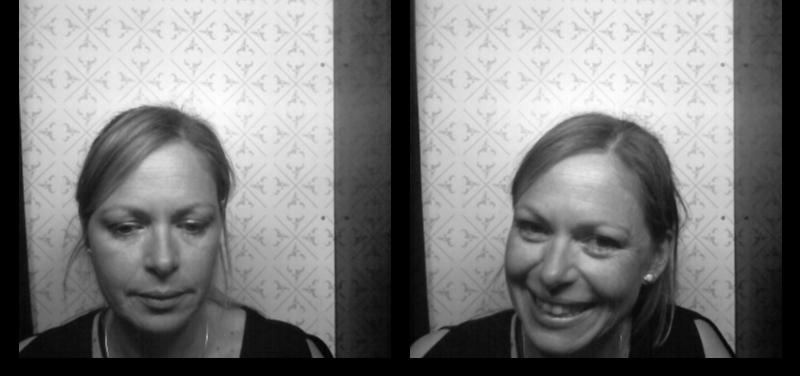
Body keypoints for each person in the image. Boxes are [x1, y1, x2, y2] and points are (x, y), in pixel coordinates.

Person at [411, 112, 734, 358]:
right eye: (533, 228)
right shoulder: (435, 353)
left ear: (657, 257)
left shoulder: (697, 346)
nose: (552, 273)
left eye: (601, 241)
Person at [19, 106, 333, 358]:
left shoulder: (294, 352)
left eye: (192, 226)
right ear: (87, 233)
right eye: (126, 228)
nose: (163, 260)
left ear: (219, 224)